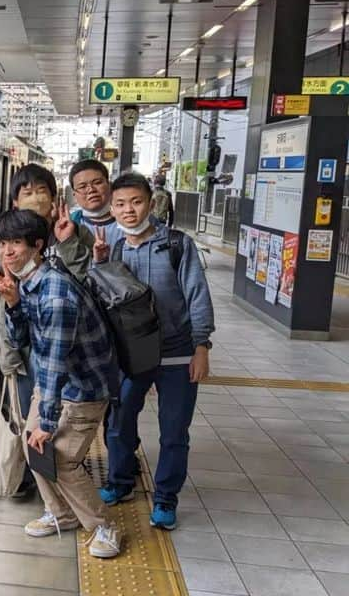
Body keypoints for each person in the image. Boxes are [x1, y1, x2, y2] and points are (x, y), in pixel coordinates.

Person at [0, 209, 122, 558]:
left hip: (83, 391)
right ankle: (62, 514)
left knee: (61, 458)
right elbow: (22, 340)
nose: (7, 252)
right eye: (2, 243)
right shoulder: (31, 282)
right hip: (57, 386)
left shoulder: (55, 293)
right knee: (33, 447)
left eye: (16, 243)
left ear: (37, 245)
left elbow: (52, 361)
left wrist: (47, 423)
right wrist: (13, 304)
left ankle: (103, 526)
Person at [95, 173, 215, 531]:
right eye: (120, 204)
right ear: (112, 208)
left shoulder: (177, 245)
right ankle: (121, 480)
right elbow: (108, 297)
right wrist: (101, 264)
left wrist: (202, 346)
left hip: (177, 354)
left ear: (150, 203)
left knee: (174, 431)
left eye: (135, 202)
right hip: (132, 355)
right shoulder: (114, 246)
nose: (128, 210)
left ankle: (165, 497)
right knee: (118, 424)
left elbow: (197, 295)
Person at [0, 164, 93, 496]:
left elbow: (83, 284)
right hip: (25, 349)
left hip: (63, 347)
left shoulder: (71, 233)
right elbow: (6, 298)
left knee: (55, 421)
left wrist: (68, 243)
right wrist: (7, 353)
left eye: (42, 191)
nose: (35, 197)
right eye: (26, 192)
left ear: (53, 198)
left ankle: (57, 491)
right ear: (14, 201)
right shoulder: (8, 240)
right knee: (26, 419)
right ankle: (31, 483)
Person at [68, 160, 115, 232]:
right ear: (74, 194)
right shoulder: (68, 225)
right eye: (82, 187)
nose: (91, 190)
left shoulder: (129, 223)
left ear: (109, 185)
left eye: (97, 183)